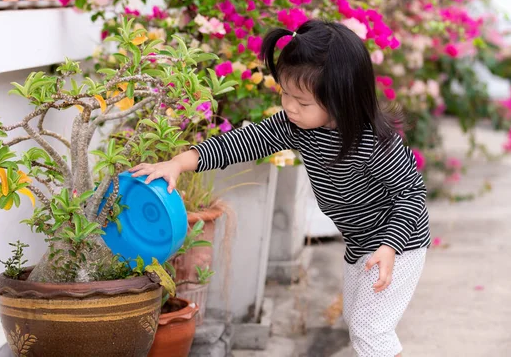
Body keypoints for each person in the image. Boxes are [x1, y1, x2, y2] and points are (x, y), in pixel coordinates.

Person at [130, 19, 430, 357]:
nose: (289, 107)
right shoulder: (296, 126)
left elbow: (411, 195)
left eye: (302, 102)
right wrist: (178, 163)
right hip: (361, 244)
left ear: (341, 99)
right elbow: (242, 142)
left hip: (400, 241)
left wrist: (390, 246)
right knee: (358, 322)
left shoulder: (374, 143)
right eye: (285, 93)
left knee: (370, 330)